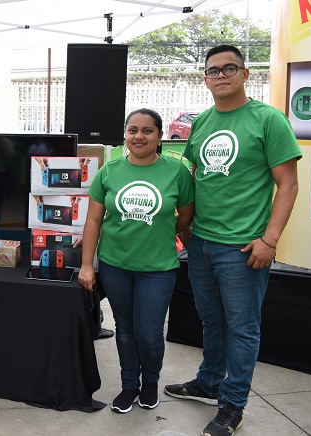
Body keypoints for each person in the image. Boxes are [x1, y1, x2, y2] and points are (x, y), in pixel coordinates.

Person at [163, 45, 301, 436]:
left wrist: (270, 239)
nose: (221, 75)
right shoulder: (203, 122)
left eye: (229, 68)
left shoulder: (268, 120)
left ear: (245, 74)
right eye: (213, 70)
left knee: (242, 327)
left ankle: (232, 404)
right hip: (202, 242)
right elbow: (194, 179)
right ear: (205, 78)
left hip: (243, 247)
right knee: (211, 320)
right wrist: (186, 228)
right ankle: (209, 382)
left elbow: (288, 184)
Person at [78, 108, 195, 414]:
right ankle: (130, 384)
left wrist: (164, 231)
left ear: (159, 137)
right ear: (125, 134)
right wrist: (88, 264)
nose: (138, 136)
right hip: (116, 265)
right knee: (125, 329)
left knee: (149, 332)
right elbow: (93, 220)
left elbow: (186, 214)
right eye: (132, 130)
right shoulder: (109, 172)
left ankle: (151, 382)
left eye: (147, 131)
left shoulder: (176, 171)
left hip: (158, 269)